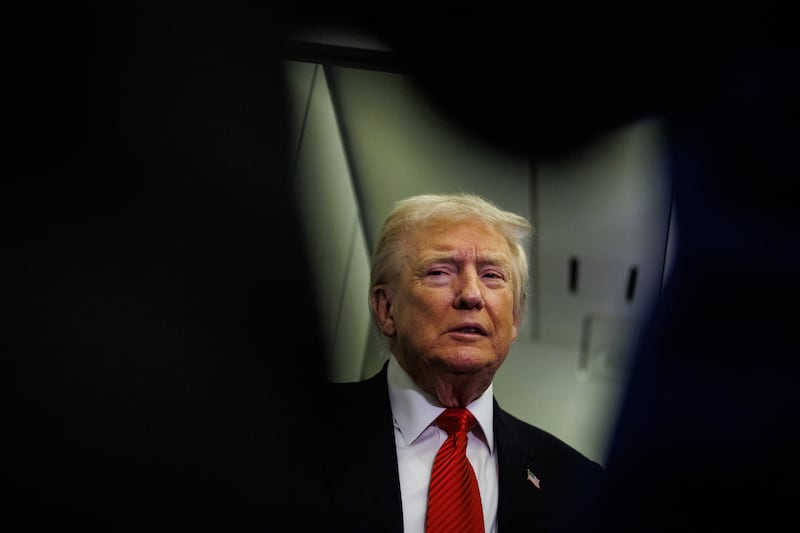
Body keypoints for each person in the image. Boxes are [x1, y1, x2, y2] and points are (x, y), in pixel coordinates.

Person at [292, 193, 605, 532]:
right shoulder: (291, 427)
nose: (471, 294)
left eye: (492, 276)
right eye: (440, 272)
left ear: (515, 318)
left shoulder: (578, 484)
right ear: (386, 310)